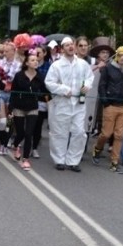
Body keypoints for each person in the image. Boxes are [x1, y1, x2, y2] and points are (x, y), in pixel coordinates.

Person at [44, 36, 94, 172]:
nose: (70, 47)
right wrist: (63, 90)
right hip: (62, 103)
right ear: (62, 49)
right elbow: (49, 82)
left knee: (79, 132)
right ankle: (59, 159)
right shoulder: (57, 65)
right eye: (67, 45)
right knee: (60, 132)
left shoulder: (82, 64)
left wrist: (87, 85)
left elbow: (90, 77)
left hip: (78, 104)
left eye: (72, 44)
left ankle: (73, 161)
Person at [90, 46, 123, 173]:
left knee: (119, 135)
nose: (122, 58)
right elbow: (102, 86)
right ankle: (97, 148)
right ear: (117, 56)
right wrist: (105, 101)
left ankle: (114, 161)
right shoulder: (108, 68)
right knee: (106, 134)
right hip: (111, 105)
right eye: (120, 55)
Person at [9, 50, 44, 171]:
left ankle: (25, 159)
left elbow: (45, 90)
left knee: (29, 133)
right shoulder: (19, 75)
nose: (36, 62)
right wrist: (10, 109)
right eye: (33, 60)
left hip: (33, 108)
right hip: (19, 107)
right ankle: (15, 145)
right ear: (27, 63)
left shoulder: (40, 76)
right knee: (21, 133)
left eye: (37, 60)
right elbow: (13, 92)